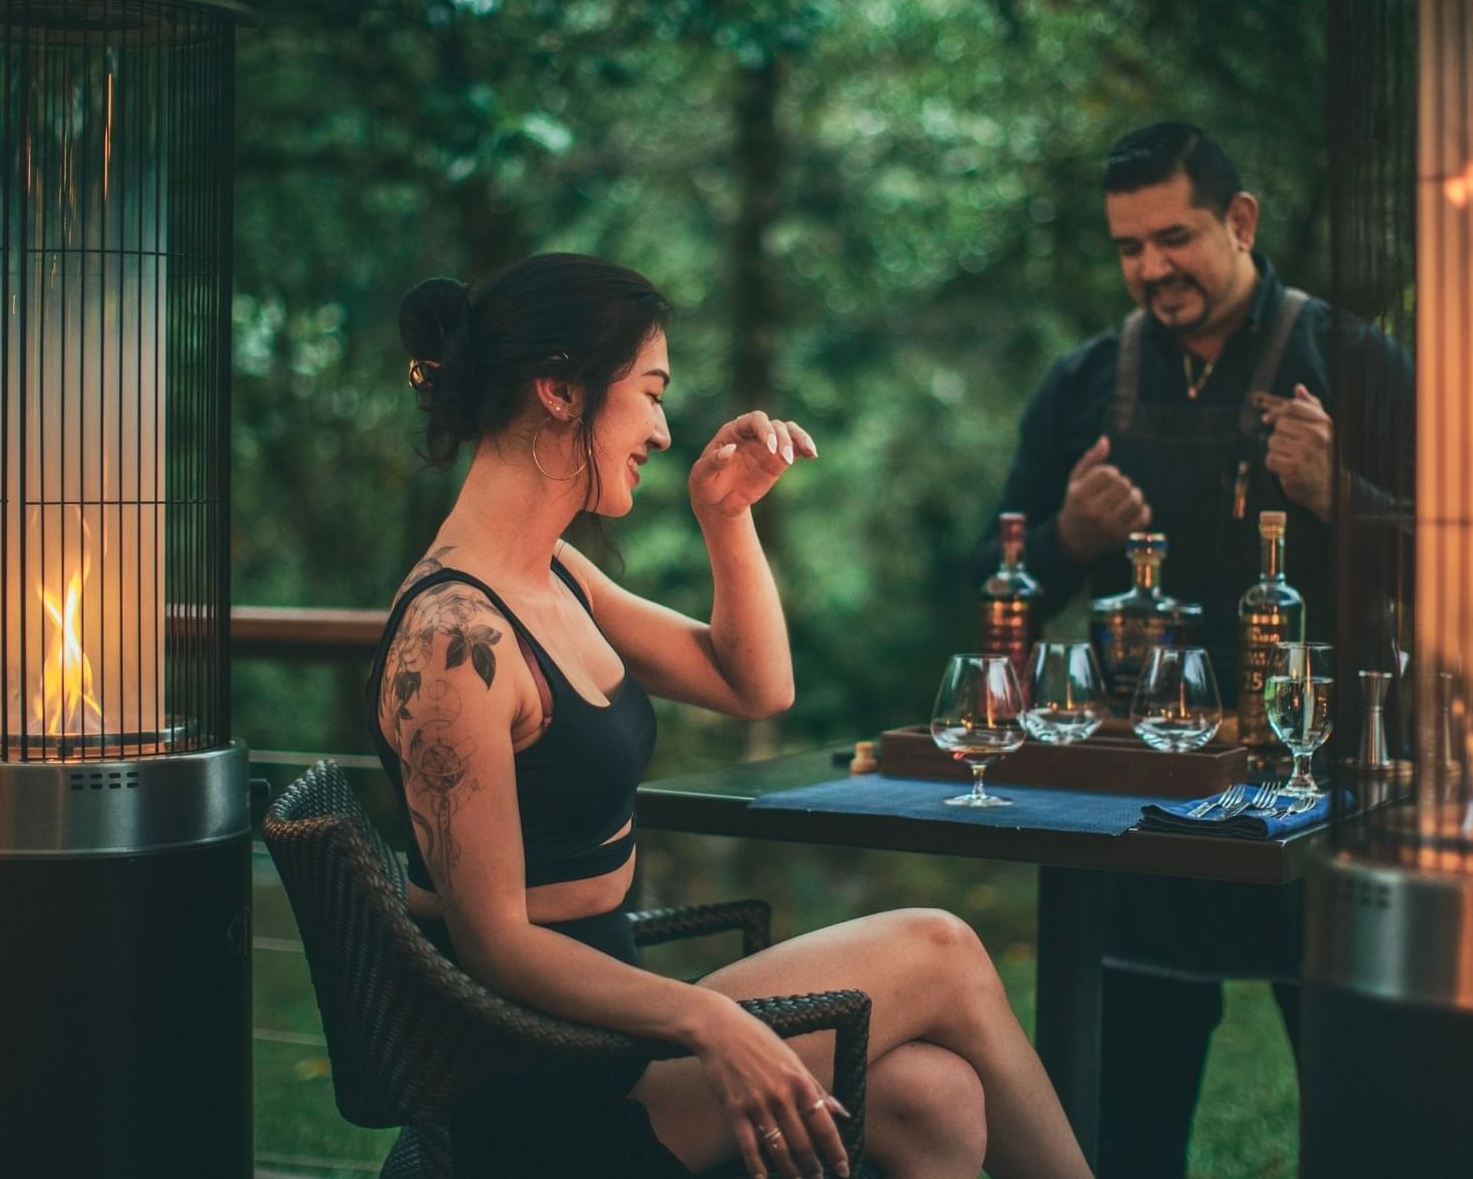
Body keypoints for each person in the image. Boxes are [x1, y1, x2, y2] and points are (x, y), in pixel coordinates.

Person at [370, 253, 1096, 1179]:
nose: (664, 431)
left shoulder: (553, 577)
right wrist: (710, 1019)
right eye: (650, 392)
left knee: (936, 1096)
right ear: (559, 388)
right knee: (941, 948)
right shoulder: (451, 637)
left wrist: (726, 516)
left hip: (617, 1040)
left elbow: (752, 683)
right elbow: (493, 941)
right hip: (546, 1099)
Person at [972, 124, 1413, 1178]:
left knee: (1367, 1132)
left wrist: (1335, 494)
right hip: (1138, 808)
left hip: (1329, 802)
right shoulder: (1084, 381)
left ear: (1241, 221)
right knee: (1121, 1132)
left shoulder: (1355, 363)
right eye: (1128, 247)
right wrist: (1070, 538)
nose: (1150, 268)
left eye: (1173, 237)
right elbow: (989, 588)